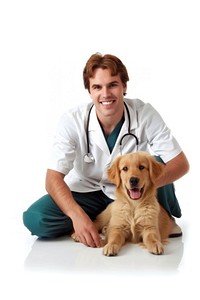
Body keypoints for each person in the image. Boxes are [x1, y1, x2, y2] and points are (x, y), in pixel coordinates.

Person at [23, 52, 189, 248]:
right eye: (97, 87)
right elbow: (52, 178)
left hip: (138, 194)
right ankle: (102, 220)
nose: (106, 94)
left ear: (124, 86)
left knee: (157, 163)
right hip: (89, 192)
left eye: (112, 85)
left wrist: (141, 187)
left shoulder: (144, 113)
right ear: (89, 91)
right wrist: (77, 216)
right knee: (36, 218)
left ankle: (160, 218)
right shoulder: (72, 121)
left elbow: (180, 164)